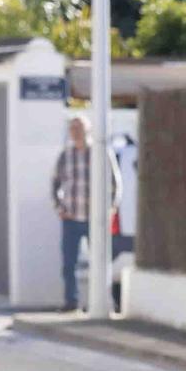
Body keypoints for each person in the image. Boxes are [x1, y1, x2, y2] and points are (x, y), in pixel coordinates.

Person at [49, 115, 121, 312]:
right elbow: (54, 183)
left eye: (79, 128)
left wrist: (110, 209)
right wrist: (59, 208)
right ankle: (71, 302)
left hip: (94, 218)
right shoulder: (65, 155)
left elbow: (115, 184)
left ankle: (99, 302)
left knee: (98, 262)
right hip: (71, 217)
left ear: (87, 130)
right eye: (72, 128)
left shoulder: (100, 153)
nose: (75, 132)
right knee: (68, 263)